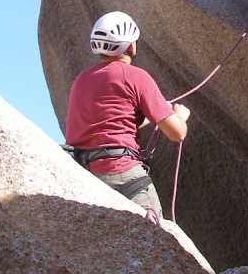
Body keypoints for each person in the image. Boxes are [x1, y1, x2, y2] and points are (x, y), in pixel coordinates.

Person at [65, 11, 190, 217]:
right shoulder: (137, 76)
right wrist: (179, 116)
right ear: (130, 46)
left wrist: (148, 118)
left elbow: (102, 126)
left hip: (87, 175)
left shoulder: (81, 79)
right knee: (156, 241)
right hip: (124, 175)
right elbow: (177, 133)